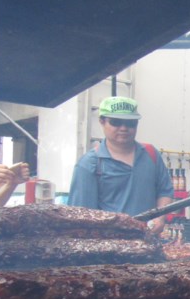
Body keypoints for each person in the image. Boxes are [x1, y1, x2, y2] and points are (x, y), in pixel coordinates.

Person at [68, 96, 173, 234]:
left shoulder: (151, 154)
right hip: (109, 249)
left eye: (130, 123)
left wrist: (160, 217)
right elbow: (81, 217)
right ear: (102, 121)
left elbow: (164, 191)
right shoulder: (88, 164)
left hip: (148, 242)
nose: (124, 128)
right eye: (116, 122)